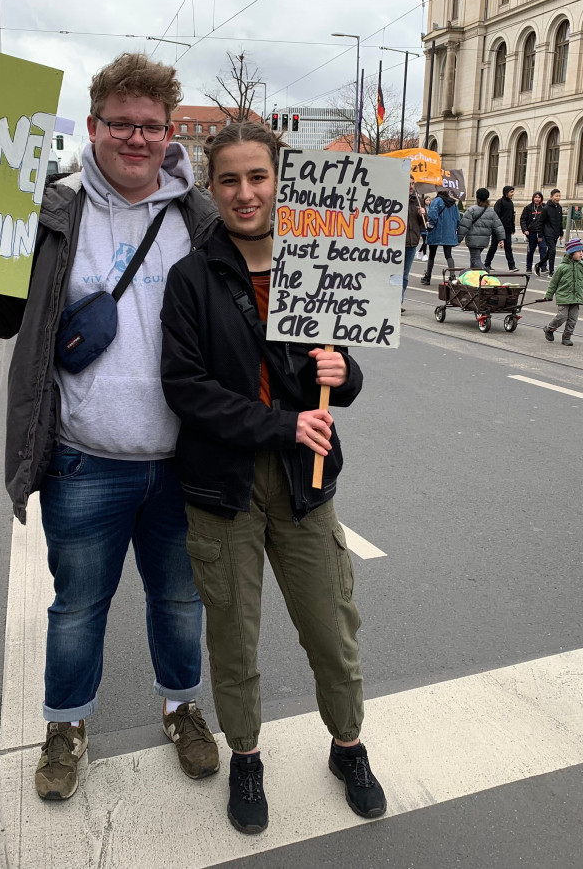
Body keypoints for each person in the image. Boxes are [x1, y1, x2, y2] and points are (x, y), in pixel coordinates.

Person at [0, 53, 220, 802]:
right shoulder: (49, 212)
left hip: (184, 463)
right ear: (93, 126)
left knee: (181, 601)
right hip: (84, 462)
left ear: (170, 133)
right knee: (77, 610)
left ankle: (182, 706)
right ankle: (66, 727)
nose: (137, 138)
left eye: (151, 126)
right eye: (121, 124)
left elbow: (243, 324)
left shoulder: (202, 219)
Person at [160, 121, 385, 835]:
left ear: (279, 182)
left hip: (305, 484)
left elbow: (336, 374)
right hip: (221, 489)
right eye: (229, 179)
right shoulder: (190, 278)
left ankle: (347, 746)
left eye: (258, 177)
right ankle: (247, 757)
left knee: (332, 630)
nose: (245, 192)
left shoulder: (316, 261)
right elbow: (186, 389)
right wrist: (281, 425)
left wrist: (343, 373)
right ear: (211, 187)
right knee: (233, 638)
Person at [543, 238, 583, 347]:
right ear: (571, 253)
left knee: (572, 319)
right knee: (562, 316)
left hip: (576, 297)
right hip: (564, 297)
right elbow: (554, 282)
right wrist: (549, 295)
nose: (582, 254)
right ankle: (549, 329)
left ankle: (566, 337)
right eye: (579, 251)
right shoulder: (562, 267)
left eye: (582, 251)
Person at [458, 187, 504, 270]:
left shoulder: (471, 210)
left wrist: (459, 238)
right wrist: (501, 239)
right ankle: (475, 278)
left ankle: (485, 272)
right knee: (475, 258)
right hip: (484, 240)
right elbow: (498, 225)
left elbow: (464, 226)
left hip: (472, 239)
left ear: (477, 197)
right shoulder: (491, 211)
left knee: (475, 259)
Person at [421, 189, 459, 283]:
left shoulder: (436, 201)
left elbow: (432, 216)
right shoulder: (453, 203)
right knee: (448, 255)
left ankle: (428, 277)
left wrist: (430, 226)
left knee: (432, 255)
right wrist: (454, 228)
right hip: (449, 232)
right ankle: (452, 277)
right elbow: (458, 219)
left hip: (436, 231)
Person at [401, 179, 426, 311]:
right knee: (395, 274)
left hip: (412, 242)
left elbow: (422, 224)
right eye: (409, 183)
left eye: (412, 183)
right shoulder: (397, 198)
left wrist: (423, 214)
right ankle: (392, 302)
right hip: (397, 243)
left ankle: (399, 301)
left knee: (404, 276)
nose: (411, 186)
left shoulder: (417, 200)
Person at [486, 184, 517, 272]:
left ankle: (512, 266)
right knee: (493, 246)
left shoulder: (511, 203)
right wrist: (496, 227)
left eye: (512, 192)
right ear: (506, 192)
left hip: (507, 229)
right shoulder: (499, 202)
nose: (512, 194)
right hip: (498, 228)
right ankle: (487, 264)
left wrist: (512, 227)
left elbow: (512, 216)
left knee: (508, 247)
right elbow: (496, 216)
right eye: (511, 192)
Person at [520, 192, 546, 274]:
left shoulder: (544, 207)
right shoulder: (528, 208)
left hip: (541, 233)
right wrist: (525, 230)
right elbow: (523, 220)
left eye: (539, 197)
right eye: (535, 197)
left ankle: (543, 267)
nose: (537, 199)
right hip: (532, 233)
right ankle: (528, 267)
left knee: (543, 249)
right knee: (530, 251)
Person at [540, 188, 564, 275]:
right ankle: (551, 270)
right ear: (551, 197)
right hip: (548, 233)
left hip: (555, 233)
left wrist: (561, 232)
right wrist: (540, 235)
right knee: (552, 251)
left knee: (550, 251)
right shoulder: (546, 208)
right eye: (556, 196)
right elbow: (541, 222)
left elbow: (560, 221)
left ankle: (539, 265)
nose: (558, 198)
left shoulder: (559, 208)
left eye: (559, 196)